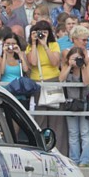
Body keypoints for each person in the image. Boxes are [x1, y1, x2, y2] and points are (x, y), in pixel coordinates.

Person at [26, 20, 67, 154]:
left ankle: (59, 151)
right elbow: (32, 62)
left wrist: (45, 46)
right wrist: (34, 43)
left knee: (56, 120)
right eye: (39, 32)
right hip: (37, 83)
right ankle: (41, 150)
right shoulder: (30, 46)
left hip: (53, 81)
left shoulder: (54, 44)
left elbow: (55, 62)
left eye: (44, 32)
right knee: (40, 119)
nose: (42, 35)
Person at [60, 46, 89, 166]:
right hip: (70, 103)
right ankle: (74, 159)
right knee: (73, 132)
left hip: (83, 102)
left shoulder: (86, 66)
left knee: (85, 132)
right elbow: (61, 79)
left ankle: (85, 160)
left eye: (78, 58)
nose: (76, 60)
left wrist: (82, 66)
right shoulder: (66, 66)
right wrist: (69, 66)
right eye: (73, 58)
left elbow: (86, 82)